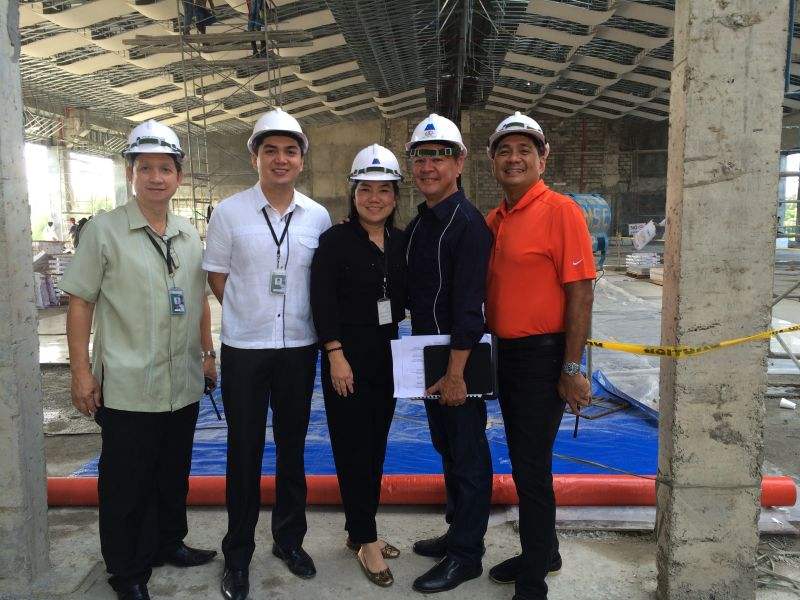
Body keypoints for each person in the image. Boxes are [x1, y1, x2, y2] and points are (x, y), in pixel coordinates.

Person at [60, 120, 217, 600]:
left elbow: (197, 301)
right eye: (145, 167)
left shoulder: (189, 234)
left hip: (183, 382)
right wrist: (81, 372)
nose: (155, 177)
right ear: (131, 172)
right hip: (128, 386)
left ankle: (169, 543)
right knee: (126, 484)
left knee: (174, 474)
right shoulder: (104, 232)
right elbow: (80, 303)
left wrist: (208, 356)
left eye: (164, 168)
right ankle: (126, 569)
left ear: (178, 176)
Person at [203, 108, 331, 600]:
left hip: (299, 350)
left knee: (294, 450)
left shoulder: (316, 216)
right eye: (270, 150)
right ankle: (237, 555)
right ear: (254, 156)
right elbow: (217, 276)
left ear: (301, 160)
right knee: (244, 453)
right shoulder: (229, 212)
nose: (281, 159)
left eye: (290, 151)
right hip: (246, 350)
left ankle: (288, 541)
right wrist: (248, 310)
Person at [484, 112, 595, 600]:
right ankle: (543, 551)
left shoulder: (561, 211)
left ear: (542, 157)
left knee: (531, 469)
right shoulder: (496, 218)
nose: (514, 158)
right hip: (505, 355)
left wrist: (572, 369)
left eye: (524, 150)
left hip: (543, 355)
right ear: (492, 161)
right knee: (525, 457)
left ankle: (533, 581)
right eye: (505, 151)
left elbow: (581, 293)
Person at [403, 114, 494, 594]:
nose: (428, 166)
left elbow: (468, 308)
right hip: (429, 354)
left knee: (468, 456)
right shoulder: (422, 223)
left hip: (458, 358)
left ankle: (466, 555)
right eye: (420, 157)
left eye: (439, 156)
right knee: (448, 451)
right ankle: (456, 530)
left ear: (459, 162)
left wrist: (456, 373)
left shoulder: (467, 225)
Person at [310, 144, 406, 588]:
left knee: (376, 445)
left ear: (394, 196)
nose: (374, 198)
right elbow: (321, 301)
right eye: (365, 189)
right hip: (345, 359)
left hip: (386, 356)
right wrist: (335, 354)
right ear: (352, 194)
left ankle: (358, 530)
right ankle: (366, 539)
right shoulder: (335, 241)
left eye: (383, 190)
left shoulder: (400, 241)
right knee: (353, 448)